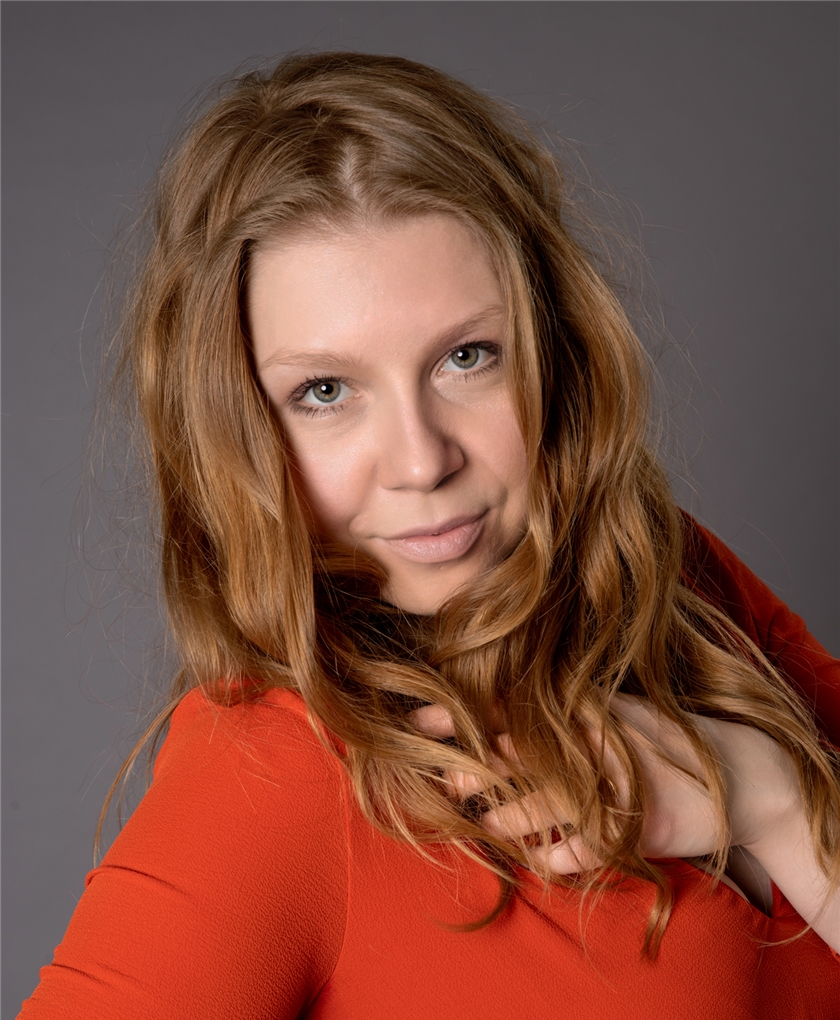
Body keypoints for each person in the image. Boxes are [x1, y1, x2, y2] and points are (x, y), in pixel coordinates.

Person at [19, 51, 840, 1019]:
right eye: (325, 391)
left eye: (466, 357)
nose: (421, 461)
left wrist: (769, 798)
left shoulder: (673, 578)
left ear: (553, 345)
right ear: (238, 428)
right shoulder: (274, 767)